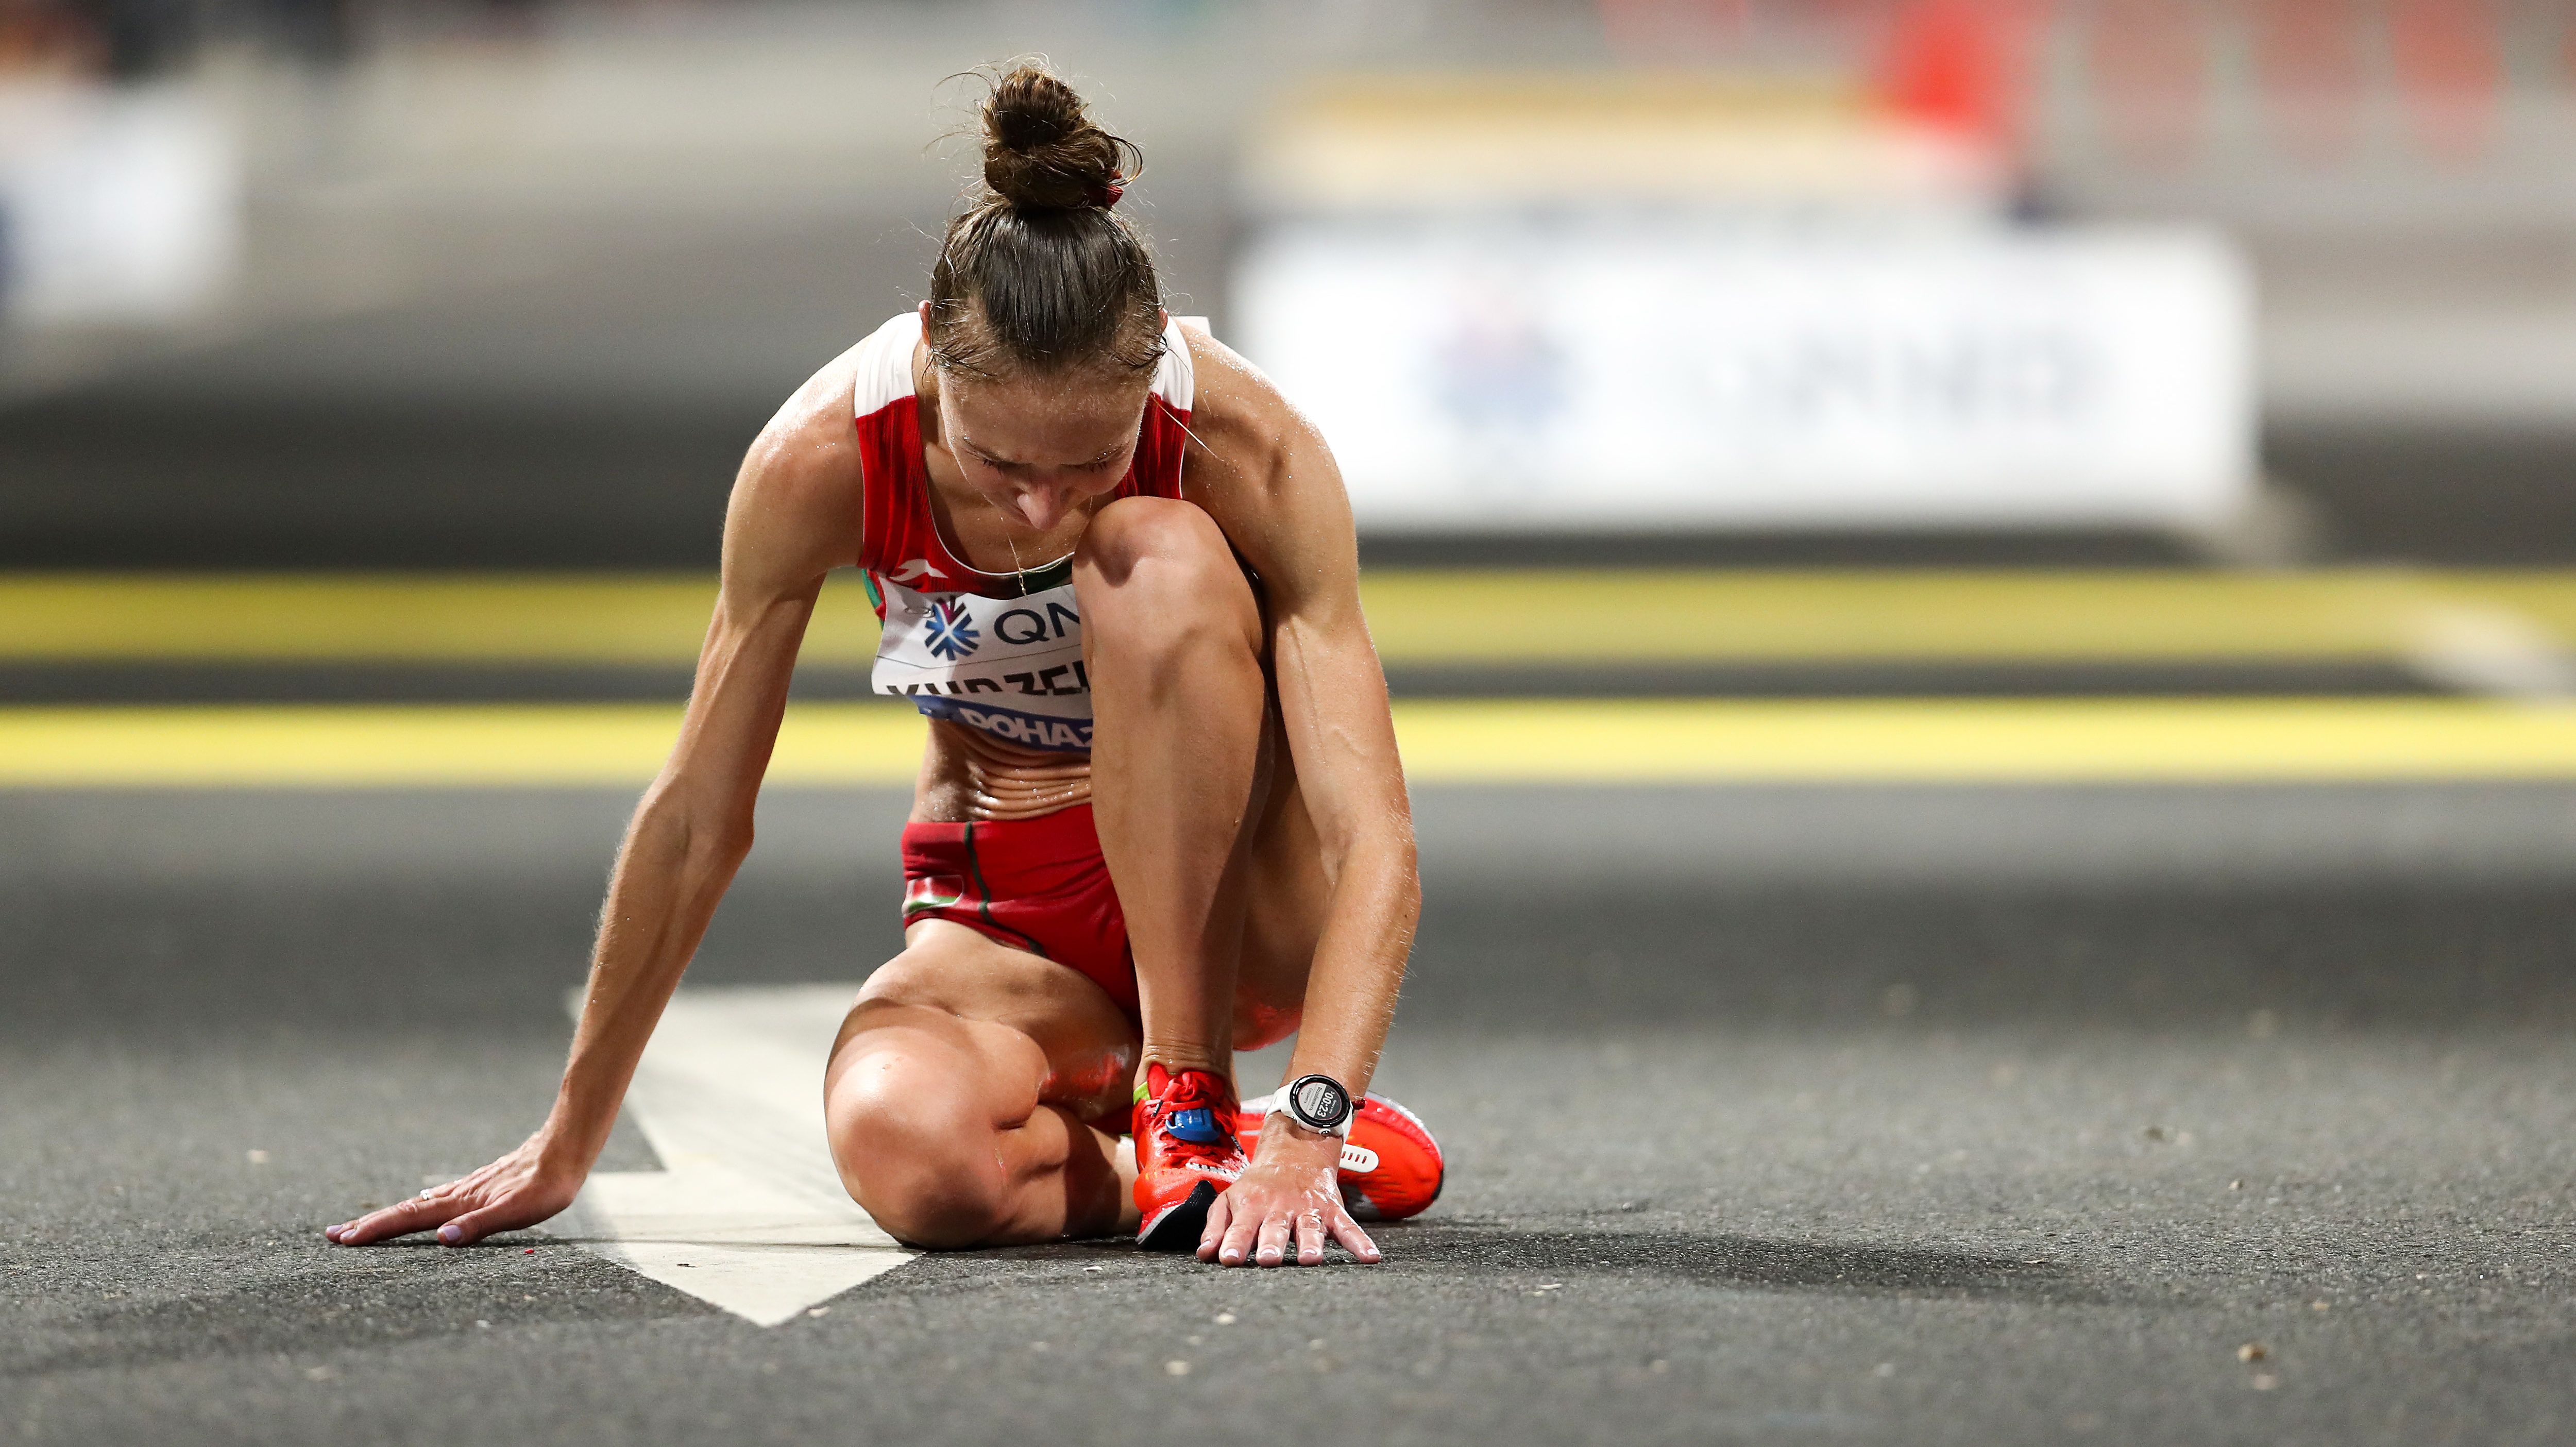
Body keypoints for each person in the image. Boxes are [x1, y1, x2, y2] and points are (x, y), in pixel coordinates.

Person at [325, 63, 1439, 1269]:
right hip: (1012, 920)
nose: (1043, 504)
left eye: (1088, 461)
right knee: (905, 1150)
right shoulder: (822, 457)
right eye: (1002, 461)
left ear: (1152, 373)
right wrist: (571, 1136)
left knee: (1150, 550)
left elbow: (1371, 834)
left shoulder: (1248, 442)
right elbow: (700, 814)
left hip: (1243, 917)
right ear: (932, 362)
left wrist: (1317, 1114)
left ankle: (1189, 1091)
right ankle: (1179, 1166)